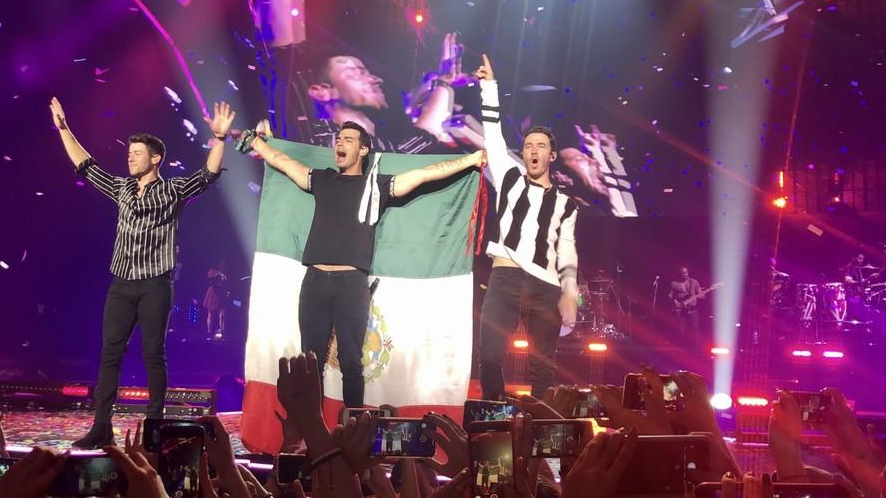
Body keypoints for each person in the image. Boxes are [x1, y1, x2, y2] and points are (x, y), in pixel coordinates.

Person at [242, 120, 485, 407]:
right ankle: (309, 427)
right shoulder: (322, 179)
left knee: (350, 361)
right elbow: (283, 162)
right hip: (315, 282)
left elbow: (424, 174)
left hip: (351, 285)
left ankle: (354, 425)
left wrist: (471, 159)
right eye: (338, 139)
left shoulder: (376, 186)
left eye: (348, 140)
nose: (340, 143)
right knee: (310, 362)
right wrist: (254, 142)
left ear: (363, 150)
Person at [50, 97, 236, 448]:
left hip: (155, 284)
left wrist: (221, 139)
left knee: (154, 354)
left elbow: (207, 175)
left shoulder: (172, 190)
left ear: (156, 158)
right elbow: (86, 165)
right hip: (121, 284)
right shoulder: (121, 188)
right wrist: (63, 128)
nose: (130, 157)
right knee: (110, 354)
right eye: (129, 153)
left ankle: (154, 425)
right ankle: (101, 426)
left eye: (137, 153)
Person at [475, 54, 631, 401]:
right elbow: (493, 134)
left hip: (545, 285)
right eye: (528, 145)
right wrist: (489, 87)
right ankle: (494, 417)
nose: (533, 150)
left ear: (551, 156)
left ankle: (537, 422)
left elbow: (566, 251)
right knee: (490, 355)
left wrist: (569, 293)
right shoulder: (509, 177)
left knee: (542, 365)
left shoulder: (566, 204)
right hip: (505, 277)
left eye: (541, 146)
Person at [300, 33, 472, 153]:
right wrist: (442, 83)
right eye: (355, 73)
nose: (376, 79)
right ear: (322, 93)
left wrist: (442, 82)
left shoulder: (377, 143)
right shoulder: (328, 144)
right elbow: (402, 160)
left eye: (367, 72)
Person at [669, 266, 705, 344]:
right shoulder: (674, 283)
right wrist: (674, 300)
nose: (685, 274)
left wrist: (702, 295)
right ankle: (683, 347)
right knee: (681, 330)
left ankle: (695, 348)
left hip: (692, 310)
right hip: (681, 310)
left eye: (686, 272)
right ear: (679, 274)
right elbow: (670, 294)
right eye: (683, 273)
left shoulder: (694, 282)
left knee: (694, 329)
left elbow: (700, 293)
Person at [203, 261, 228, 339]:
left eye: (224, 264)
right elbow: (211, 281)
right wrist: (217, 277)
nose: (222, 265)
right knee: (211, 313)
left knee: (221, 313)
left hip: (221, 294)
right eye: (221, 263)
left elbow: (226, 284)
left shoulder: (224, 273)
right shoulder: (212, 271)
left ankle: (220, 330)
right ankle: (209, 331)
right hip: (213, 294)